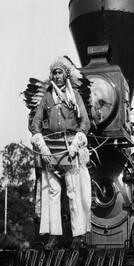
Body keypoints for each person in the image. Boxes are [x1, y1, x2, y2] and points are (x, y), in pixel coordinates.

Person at [30, 57, 91, 249]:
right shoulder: (47, 97)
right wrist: (43, 148)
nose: (57, 76)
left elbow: (85, 122)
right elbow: (36, 124)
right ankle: (53, 236)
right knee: (52, 193)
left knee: (74, 192)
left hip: (70, 148)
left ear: (66, 75)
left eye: (60, 73)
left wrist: (76, 144)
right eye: (54, 73)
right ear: (51, 76)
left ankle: (78, 236)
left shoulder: (75, 96)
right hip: (51, 149)